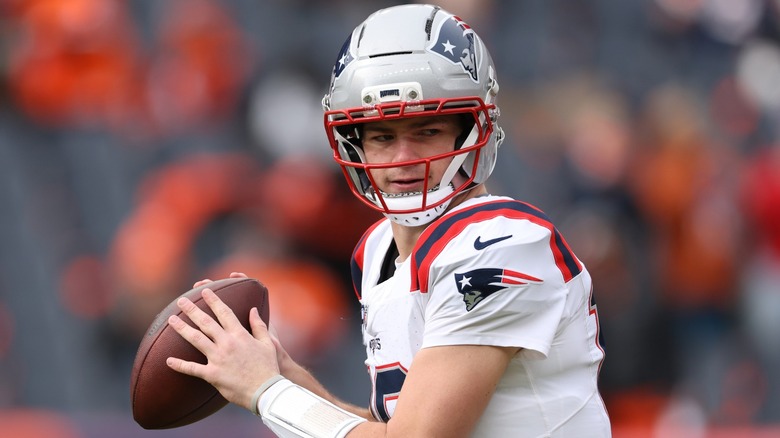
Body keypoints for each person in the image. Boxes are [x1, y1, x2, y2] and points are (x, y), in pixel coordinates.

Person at [165, 4, 612, 437]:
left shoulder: (501, 244)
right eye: (381, 136)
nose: (403, 159)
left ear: (474, 131)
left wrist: (267, 392)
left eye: (427, 131)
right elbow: (387, 430)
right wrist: (284, 374)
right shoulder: (380, 250)